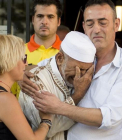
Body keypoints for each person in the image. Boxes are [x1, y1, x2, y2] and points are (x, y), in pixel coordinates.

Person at [32, 0, 122, 139]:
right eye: (90, 24)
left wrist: (59, 107)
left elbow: (109, 117)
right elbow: (48, 65)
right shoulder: (77, 53)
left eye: (103, 23)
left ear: (116, 24)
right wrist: (24, 75)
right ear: (84, 27)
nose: (96, 29)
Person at [19, 31, 96, 140]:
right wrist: (78, 95)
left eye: (87, 70)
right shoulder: (35, 81)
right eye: (78, 69)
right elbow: (47, 129)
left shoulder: (87, 79)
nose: (82, 76)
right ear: (60, 58)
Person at [0, 35, 53, 140]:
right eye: (24, 58)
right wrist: (46, 121)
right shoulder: (4, 99)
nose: (26, 63)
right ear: (10, 61)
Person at [11, 0, 62, 98]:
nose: (44, 22)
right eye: (40, 16)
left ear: (58, 21)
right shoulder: (16, 52)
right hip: (20, 112)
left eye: (50, 17)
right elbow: (7, 92)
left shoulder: (66, 53)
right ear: (33, 20)